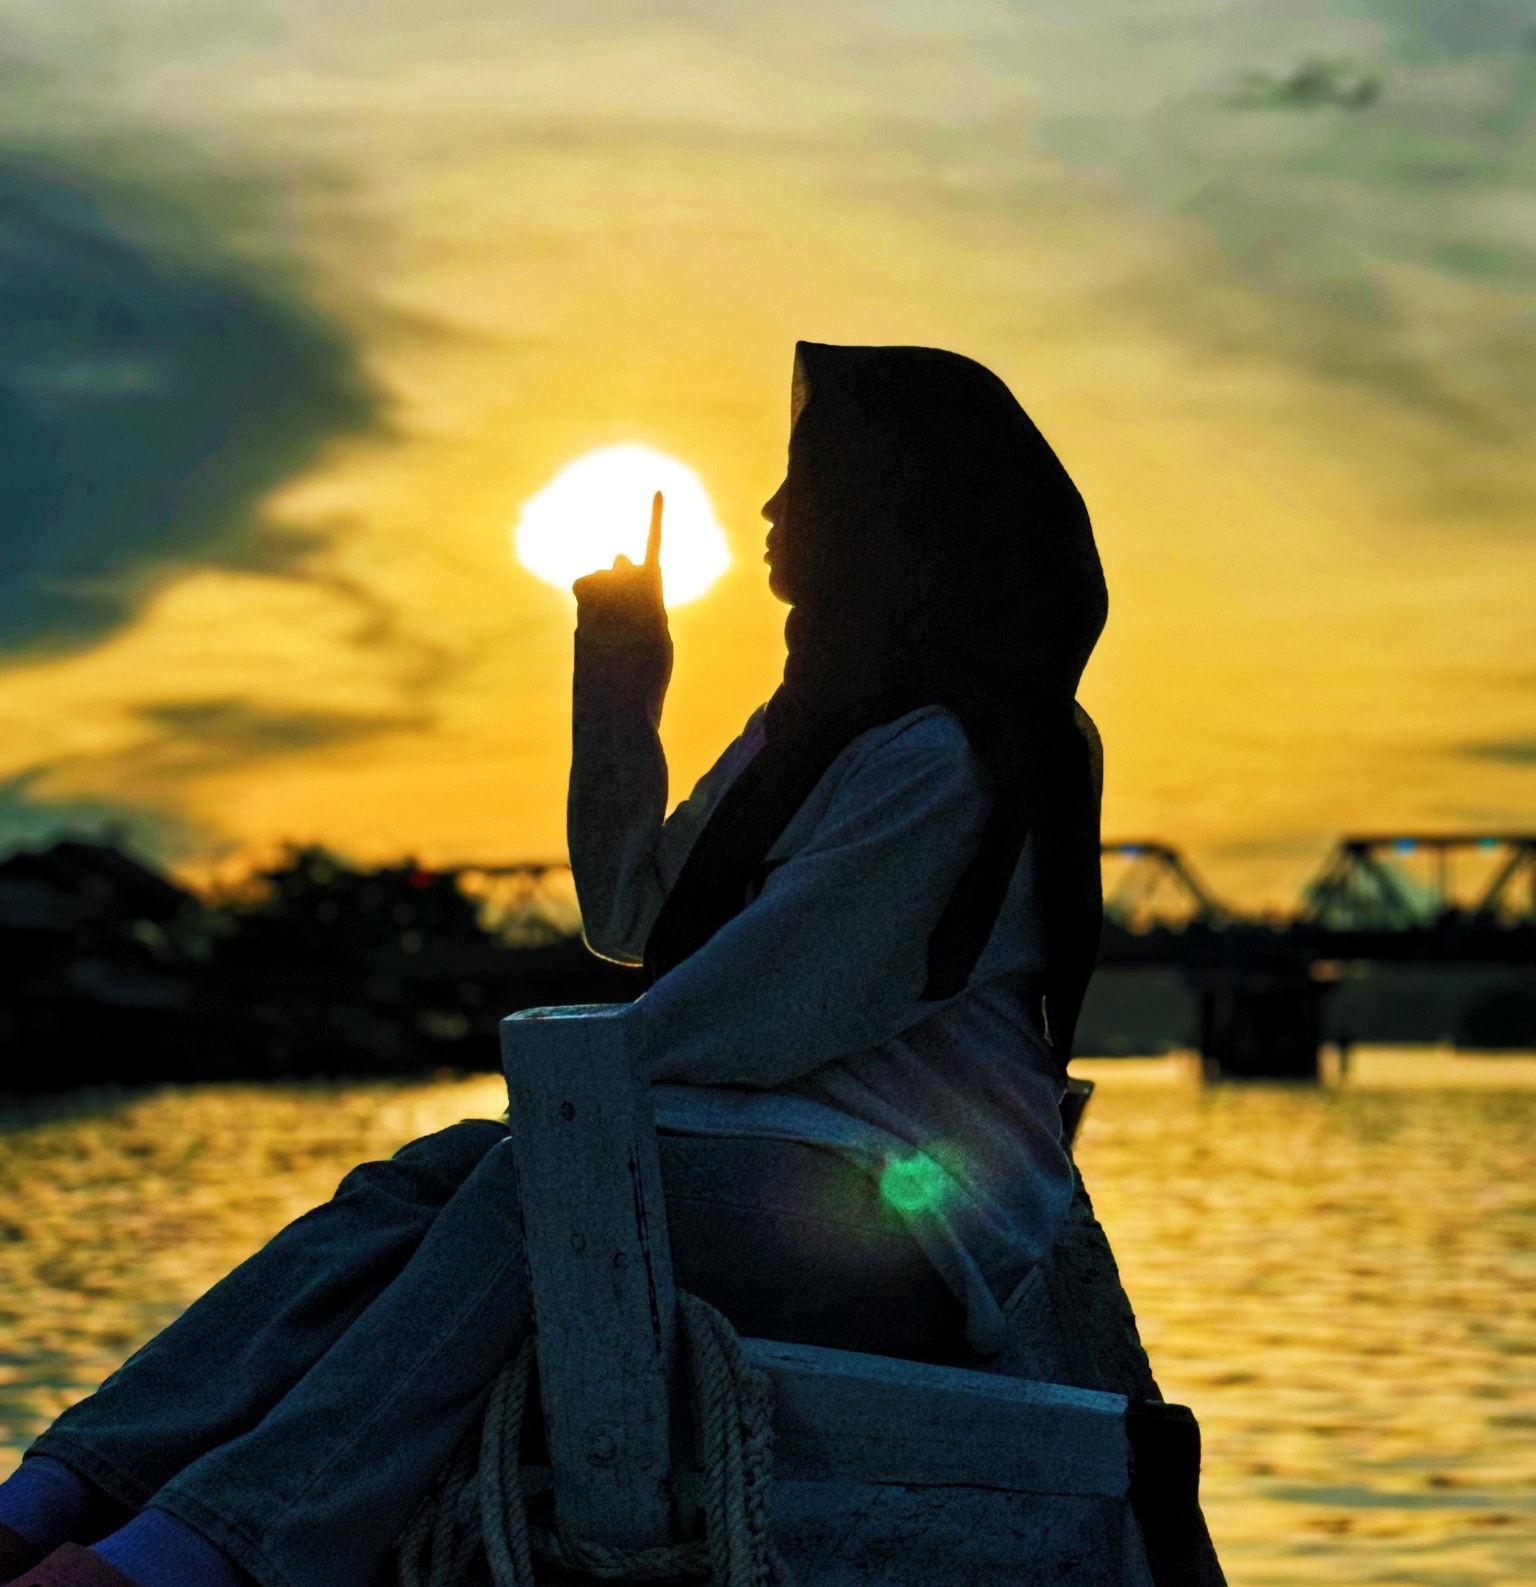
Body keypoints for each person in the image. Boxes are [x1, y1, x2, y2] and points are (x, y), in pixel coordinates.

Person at [0, 342, 1108, 1587]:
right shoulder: (812, 726)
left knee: (531, 1189)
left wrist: (567, 1100)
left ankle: (196, 1557)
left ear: (893, 509)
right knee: (415, 1182)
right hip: (769, 1176)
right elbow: (634, 915)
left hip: (906, 1234)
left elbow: (748, 1020)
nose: (771, 509)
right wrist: (622, 669)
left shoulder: (952, 757)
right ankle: (58, 1493)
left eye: (808, 481)